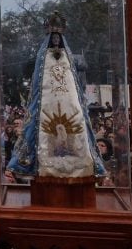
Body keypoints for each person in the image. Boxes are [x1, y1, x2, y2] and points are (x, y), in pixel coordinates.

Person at [7, 12, 105, 178]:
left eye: (58, 38)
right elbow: (39, 80)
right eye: (53, 38)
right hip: (47, 100)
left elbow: (73, 76)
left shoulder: (68, 56)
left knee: (76, 120)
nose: (56, 41)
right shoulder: (42, 56)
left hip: (69, 99)